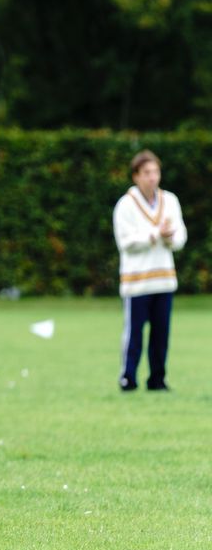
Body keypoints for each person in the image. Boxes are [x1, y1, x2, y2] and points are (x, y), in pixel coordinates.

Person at [113, 149, 187, 392]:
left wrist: (169, 237)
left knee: (161, 335)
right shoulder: (126, 205)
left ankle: (157, 379)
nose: (152, 177)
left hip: (164, 280)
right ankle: (128, 378)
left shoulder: (170, 200)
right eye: (146, 172)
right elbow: (126, 242)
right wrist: (155, 234)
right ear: (136, 176)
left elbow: (180, 237)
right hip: (137, 283)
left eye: (155, 172)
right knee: (134, 334)